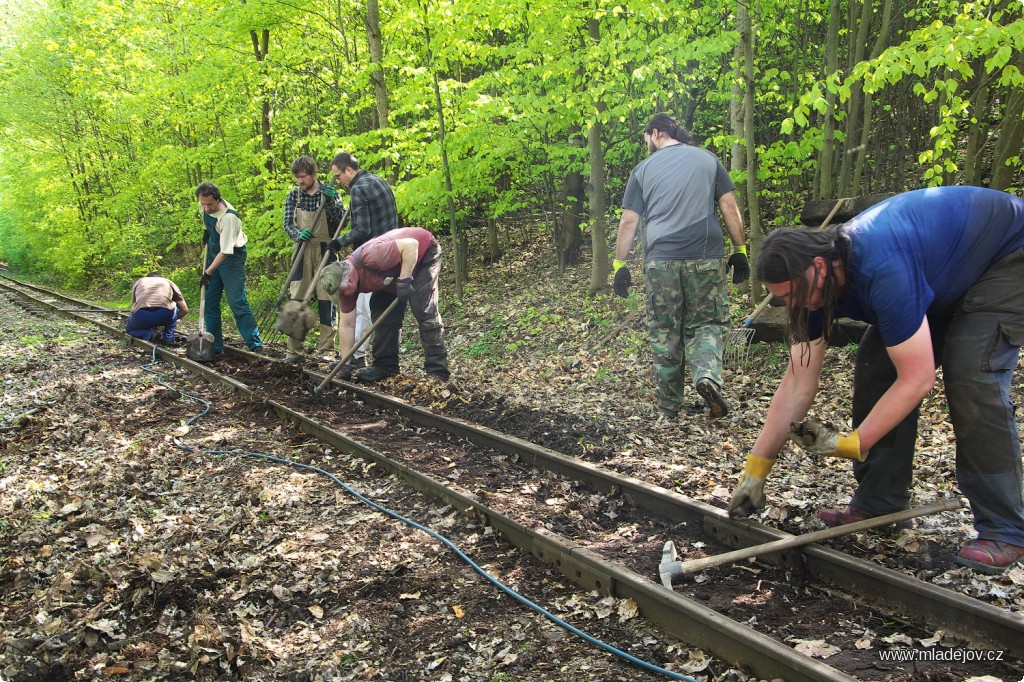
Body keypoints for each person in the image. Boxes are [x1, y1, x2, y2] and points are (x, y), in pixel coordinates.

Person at [727, 186, 1024, 575]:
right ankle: (880, 501)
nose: (792, 305)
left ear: (818, 266)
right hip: (943, 273)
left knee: (971, 375)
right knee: (876, 365)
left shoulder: (881, 266)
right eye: (782, 299)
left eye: (793, 295)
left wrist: (854, 443)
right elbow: (798, 382)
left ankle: (1006, 529)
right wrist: (756, 471)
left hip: (1005, 256)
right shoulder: (812, 290)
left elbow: (917, 379)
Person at [612, 112, 748, 420]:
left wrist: (620, 264)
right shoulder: (709, 160)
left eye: (646, 138)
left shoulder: (642, 170)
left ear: (656, 133)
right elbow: (729, 205)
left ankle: (669, 409)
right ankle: (707, 377)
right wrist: (739, 249)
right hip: (705, 257)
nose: (646, 144)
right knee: (707, 324)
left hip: (661, 262)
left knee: (665, 331)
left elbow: (629, 220)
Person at [319, 227, 448, 382]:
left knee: (423, 308)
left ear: (351, 280)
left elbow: (411, 245)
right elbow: (347, 324)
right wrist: (345, 364)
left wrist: (405, 280)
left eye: (341, 292)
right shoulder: (345, 288)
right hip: (394, 268)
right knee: (380, 306)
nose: (342, 297)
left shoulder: (373, 257)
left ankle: (438, 371)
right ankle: (385, 365)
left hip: (422, 253)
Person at [328, 151, 399, 379]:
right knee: (373, 310)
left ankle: (362, 360)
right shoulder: (378, 180)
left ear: (349, 169)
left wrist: (339, 242)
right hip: (391, 250)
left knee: (367, 310)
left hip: (372, 258)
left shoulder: (358, 188)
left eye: (339, 176)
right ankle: (360, 358)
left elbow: (363, 230)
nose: (339, 182)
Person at [282, 156, 346, 362]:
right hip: (302, 251)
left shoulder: (330, 193)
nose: (300, 181)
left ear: (313, 174)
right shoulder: (294, 196)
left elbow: (341, 223)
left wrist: (331, 204)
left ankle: (326, 351)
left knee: (328, 300)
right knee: (297, 299)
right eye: (297, 177)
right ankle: (294, 351)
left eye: (303, 177)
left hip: (326, 250)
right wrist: (296, 234)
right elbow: (288, 224)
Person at [196, 182, 264, 354]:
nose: (206, 207)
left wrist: (208, 273)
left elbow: (226, 251)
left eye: (209, 204)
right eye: (203, 204)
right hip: (214, 255)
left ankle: (255, 345)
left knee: (237, 302)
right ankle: (215, 346)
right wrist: (207, 231)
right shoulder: (204, 204)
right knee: (209, 302)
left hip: (231, 259)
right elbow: (208, 222)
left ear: (217, 199)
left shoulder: (229, 218)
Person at [125, 272, 188, 345]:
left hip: (141, 315)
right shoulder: (168, 282)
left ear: (147, 277)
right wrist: (173, 320)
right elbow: (184, 310)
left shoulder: (140, 281)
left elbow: (134, 304)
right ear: (161, 277)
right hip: (164, 314)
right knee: (174, 306)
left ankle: (150, 334)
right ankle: (168, 337)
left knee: (129, 330)